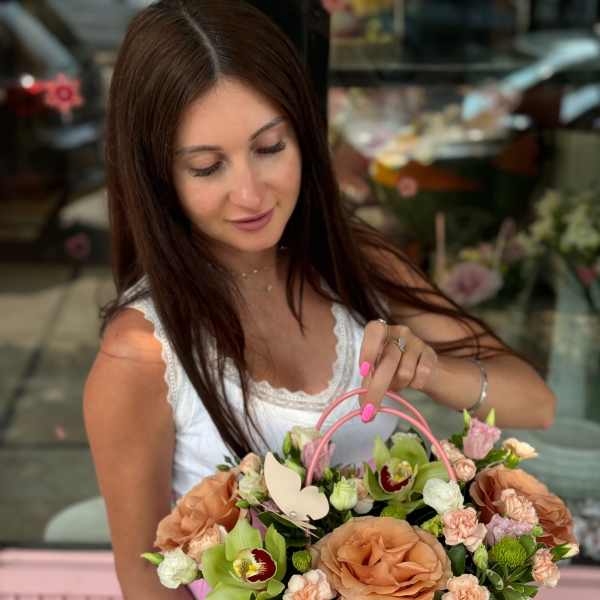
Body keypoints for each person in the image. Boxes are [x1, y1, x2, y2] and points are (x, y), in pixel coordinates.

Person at [83, 1, 556, 596]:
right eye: (207, 167)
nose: (250, 193)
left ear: (303, 136)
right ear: (157, 177)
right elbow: (145, 579)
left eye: (269, 148)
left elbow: (536, 403)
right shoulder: (142, 352)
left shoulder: (355, 264)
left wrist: (431, 372)